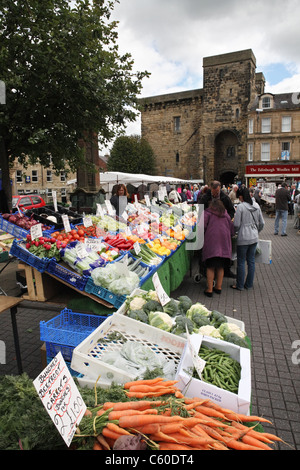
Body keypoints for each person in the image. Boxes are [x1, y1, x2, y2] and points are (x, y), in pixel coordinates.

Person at [231, 186, 265, 291]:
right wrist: (256, 231)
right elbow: (262, 223)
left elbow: (236, 224)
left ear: (241, 196)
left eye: (239, 197)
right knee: (251, 261)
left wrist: (236, 232)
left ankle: (240, 285)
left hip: (243, 238)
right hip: (254, 237)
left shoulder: (241, 207)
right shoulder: (256, 205)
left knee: (241, 261)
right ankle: (249, 284)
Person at [201, 199, 235, 297]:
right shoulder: (226, 214)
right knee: (220, 266)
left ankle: (209, 289)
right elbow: (231, 228)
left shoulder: (207, 213)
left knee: (210, 266)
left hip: (212, 242)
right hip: (224, 244)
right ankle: (218, 287)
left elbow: (201, 226)